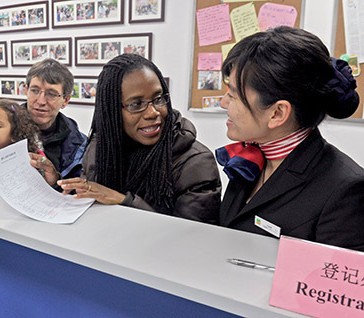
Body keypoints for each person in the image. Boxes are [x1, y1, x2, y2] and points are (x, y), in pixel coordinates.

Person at [216, 26, 364, 251]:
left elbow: (333, 282)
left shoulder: (345, 190)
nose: (223, 103)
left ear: (277, 113)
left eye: (234, 95)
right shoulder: (252, 158)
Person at [48, 54, 221, 223]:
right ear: (112, 111)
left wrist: (124, 201)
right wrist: (55, 185)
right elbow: (87, 206)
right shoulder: (99, 148)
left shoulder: (196, 163)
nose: (153, 113)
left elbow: (192, 240)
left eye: (159, 99)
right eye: (136, 104)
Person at [23, 58, 87, 179]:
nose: (41, 101)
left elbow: (78, 191)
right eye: (35, 91)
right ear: (26, 91)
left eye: (51, 94)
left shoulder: (81, 145)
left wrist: (55, 182)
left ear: (65, 100)